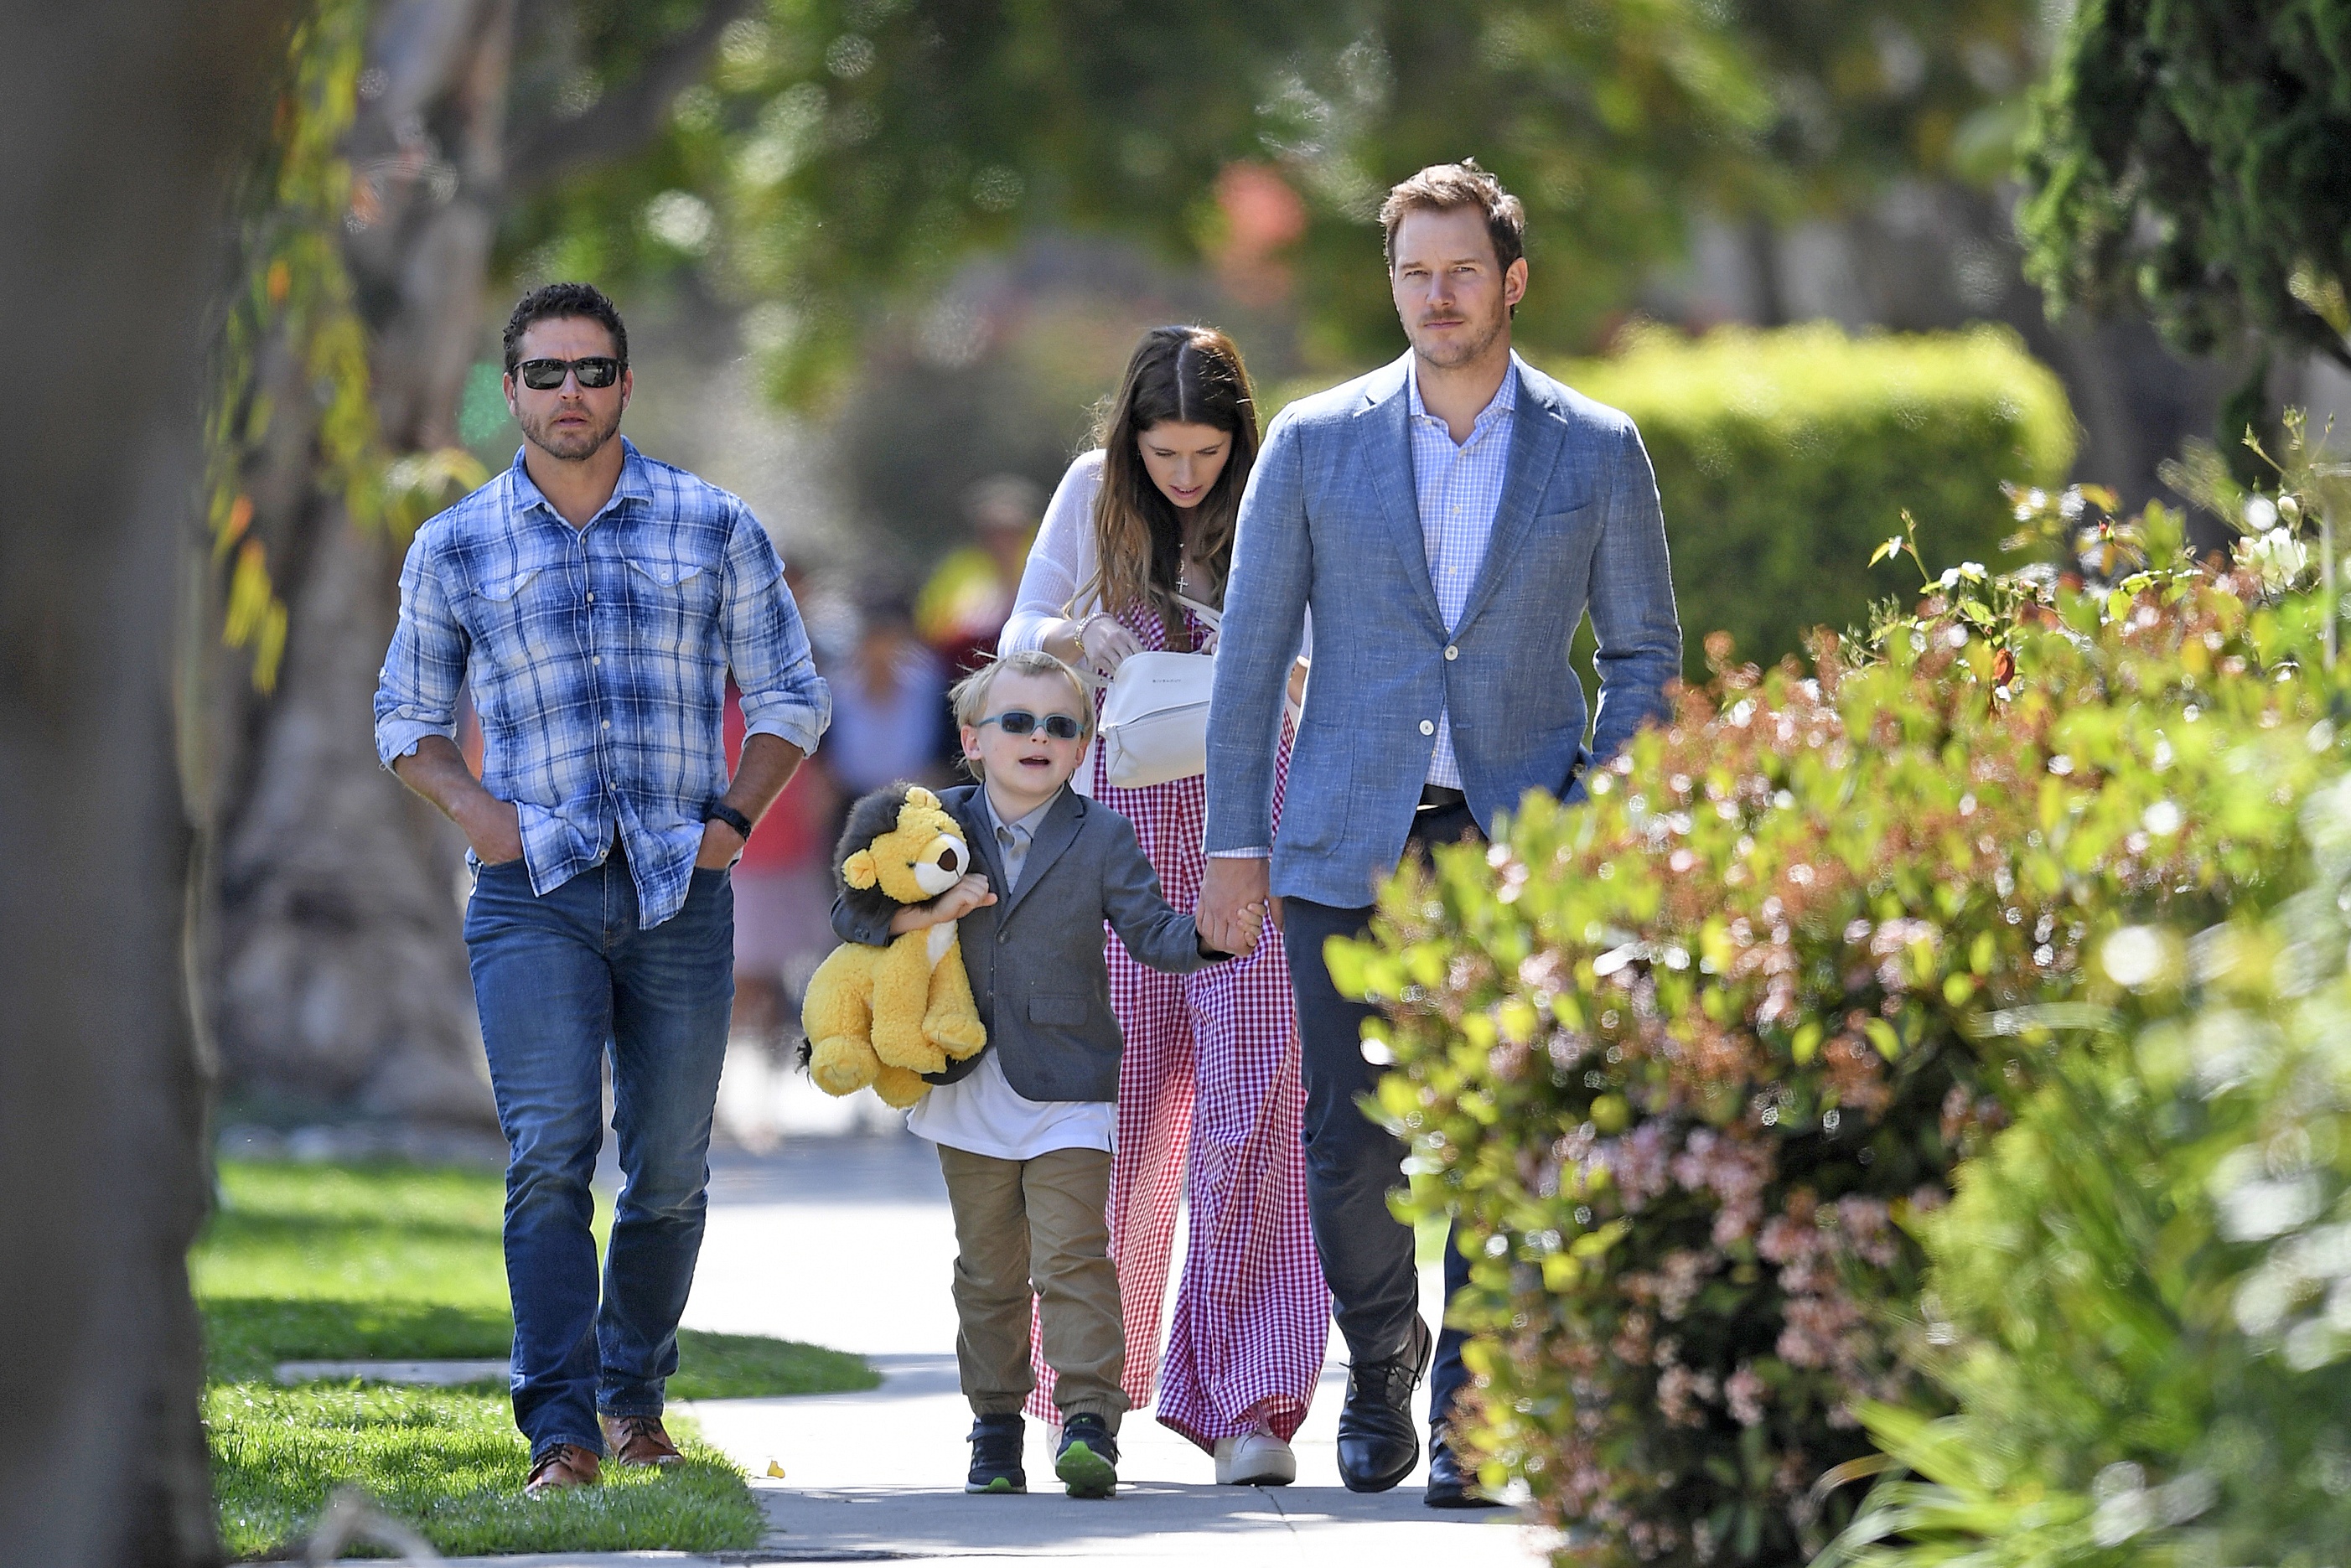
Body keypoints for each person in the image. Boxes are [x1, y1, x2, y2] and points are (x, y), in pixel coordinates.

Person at [1198, 161, 1682, 1506]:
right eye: (1414, 271)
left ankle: (1473, 1405)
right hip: (1344, 834)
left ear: (1511, 281)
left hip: (1518, 848)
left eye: (1462, 269)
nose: (1437, 294)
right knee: (1349, 1134)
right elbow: (1250, 659)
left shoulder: (1595, 446)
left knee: (1502, 1129)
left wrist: (1594, 806)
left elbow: (1645, 652)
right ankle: (1382, 1353)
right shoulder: (1312, 440)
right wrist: (1233, 841)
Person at [373, 282, 830, 1496]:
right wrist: (485, 818)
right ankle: (560, 1430)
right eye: (543, 372)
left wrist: (734, 819)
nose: (568, 392)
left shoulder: (712, 522)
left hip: (683, 887)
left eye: (590, 370)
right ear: (509, 390)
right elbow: (405, 718)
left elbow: (792, 693)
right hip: (533, 898)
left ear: (626, 384)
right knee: (550, 1152)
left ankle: (637, 1399)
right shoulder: (457, 542)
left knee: (671, 1164)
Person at [1001, 324, 1329, 1486]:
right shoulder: (1094, 494)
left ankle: (1254, 1401)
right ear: (1129, 437)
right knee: (1121, 1124)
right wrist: (1074, 636)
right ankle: (1084, 1390)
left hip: (1255, 838)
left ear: (1238, 437)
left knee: (1255, 1124)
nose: (1183, 475)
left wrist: (1266, 645)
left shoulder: (1279, 489)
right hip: (1126, 850)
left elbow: (1329, 650)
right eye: (1164, 450)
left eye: (1203, 452)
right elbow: (1016, 634)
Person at [830, 650, 1257, 1498]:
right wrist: (933, 909)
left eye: (1061, 726)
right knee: (988, 1268)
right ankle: (993, 1423)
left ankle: (1090, 1419)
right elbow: (853, 910)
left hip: (1069, 1080)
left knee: (1073, 1255)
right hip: (963, 1082)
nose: (1039, 736)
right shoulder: (931, 822)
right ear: (973, 739)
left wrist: (1214, 937)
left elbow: (1151, 932)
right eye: (1017, 721)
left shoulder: (1101, 834)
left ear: (1083, 747)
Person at [917, 474, 1044, 680]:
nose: (1002, 542)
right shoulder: (957, 569)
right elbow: (930, 631)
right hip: (971, 676)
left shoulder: (1042, 563)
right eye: (993, 532)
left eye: (1011, 532)